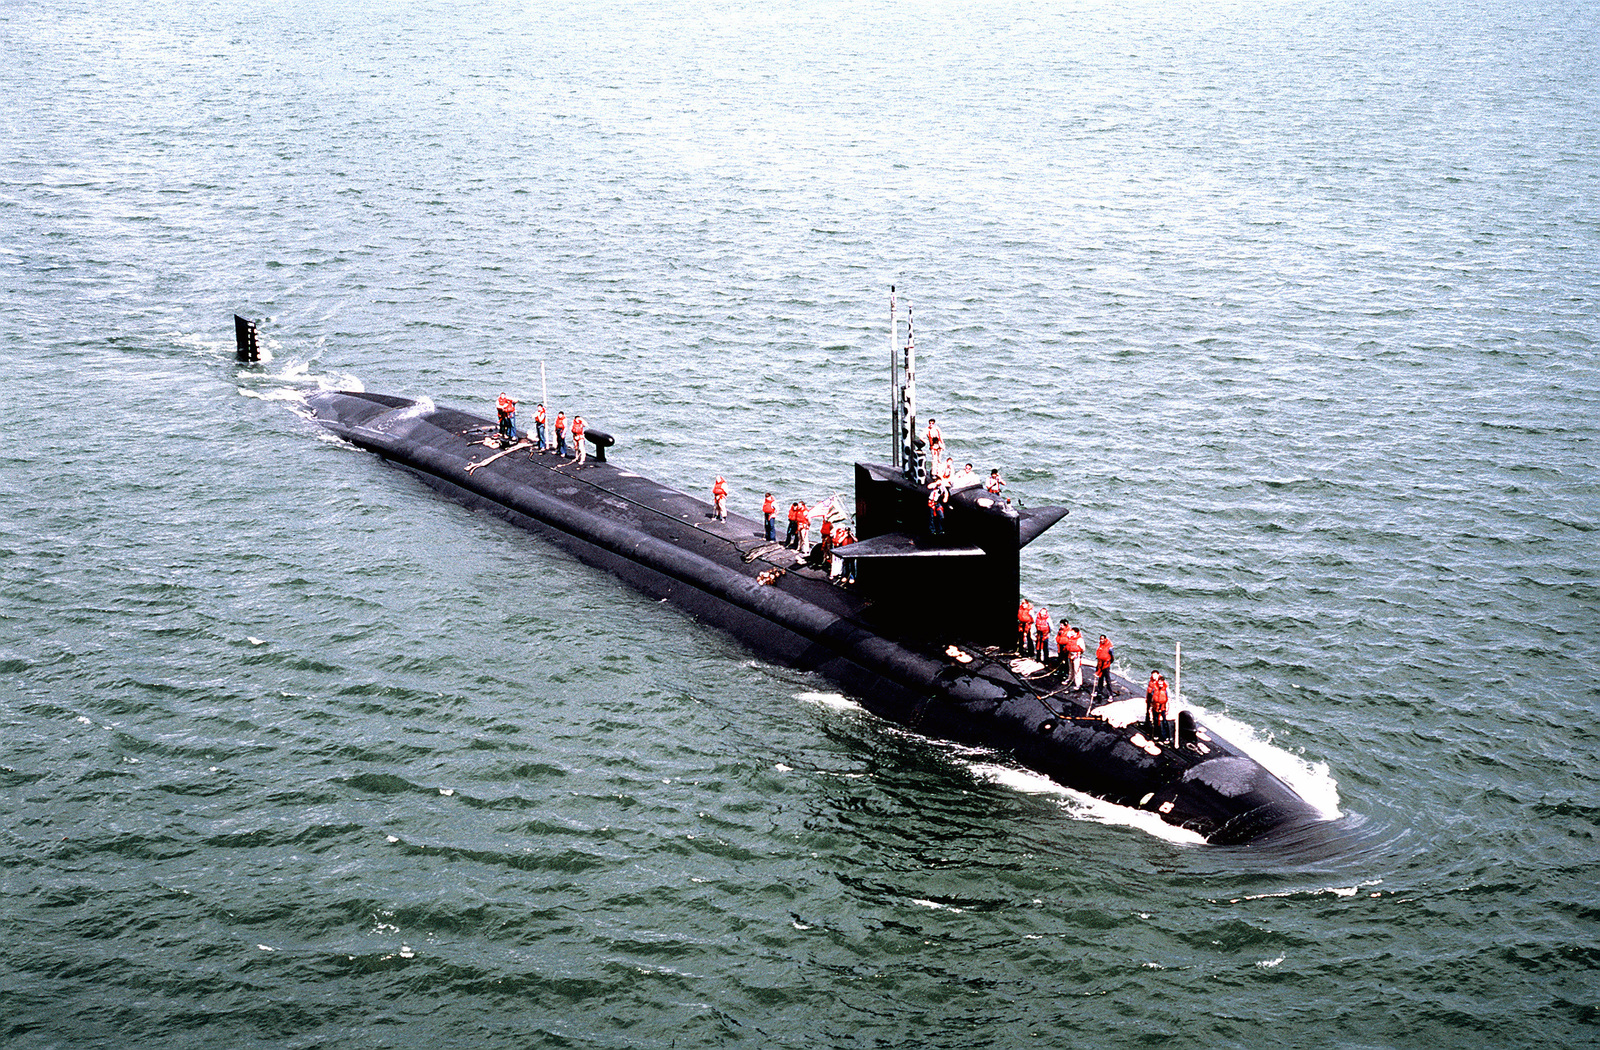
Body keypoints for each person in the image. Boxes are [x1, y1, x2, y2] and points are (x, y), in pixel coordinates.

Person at [1146, 671, 1171, 741]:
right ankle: (1156, 734)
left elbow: (1169, 700)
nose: (1160, 684)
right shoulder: (1155, 688)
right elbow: (1152, 698)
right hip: (1155, 707)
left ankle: (1167, 737)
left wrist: (1168, 710)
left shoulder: (1166, 689)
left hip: (1162, 707)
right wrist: (1150, 707)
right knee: (1156, 721)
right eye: (1159, 683)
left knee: (1165, 722)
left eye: (1161, 683)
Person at [1060, 622, 1085, 689]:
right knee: (1070, 669)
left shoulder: (1079, 640)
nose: (1071, 633)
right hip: (1069, 655)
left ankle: (1078, 683)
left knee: (1076, 670)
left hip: (1076, 656)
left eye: (1073, 632)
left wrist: (1078, 654)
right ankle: (1069, 679)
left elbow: (1083, 649)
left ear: (1076, 633)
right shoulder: (1070, 638)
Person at [1094, 634, 1116, 701]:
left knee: (1107, 680)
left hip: (1106, 665)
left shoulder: (1109, 647)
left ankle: (1110, 695)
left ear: (1105, 639)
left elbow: (1112, 657)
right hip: (1100, 664)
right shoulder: (1100, 645)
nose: (1101, 640)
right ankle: (1099, 691)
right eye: (1100, 639)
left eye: (1103, 639)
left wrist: (1108, 663)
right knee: (1100, 678)